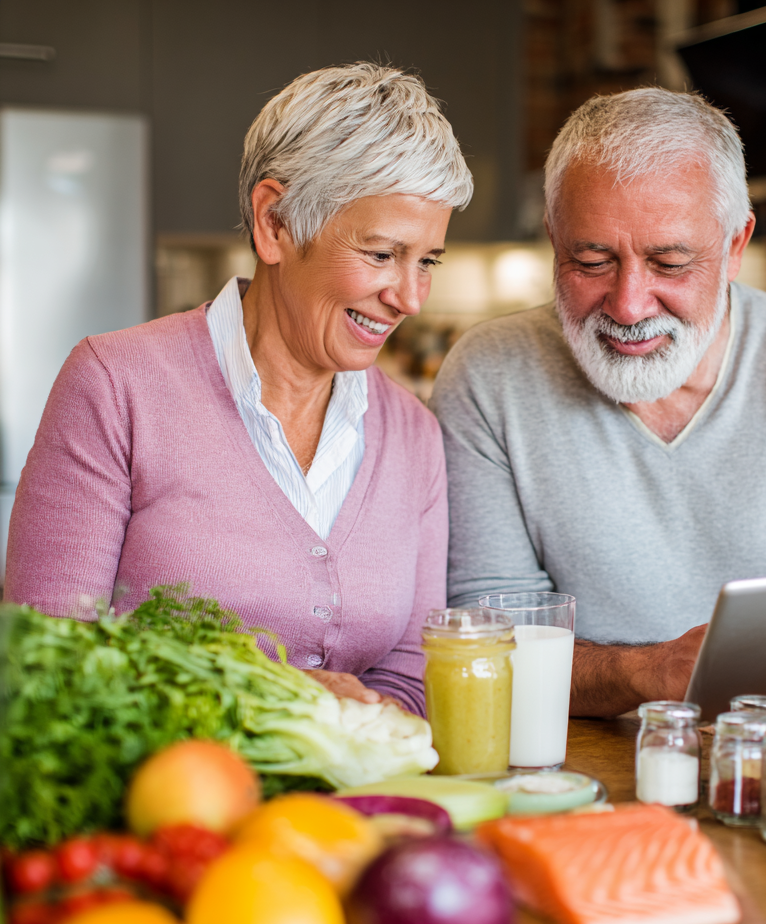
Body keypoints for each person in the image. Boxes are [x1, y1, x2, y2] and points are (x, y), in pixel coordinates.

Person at [431, 88, 766, 744]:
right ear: (554, 238)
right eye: (591, 261)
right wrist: (647, 672)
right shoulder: (490, 375)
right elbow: (484, 643)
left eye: (670, 263)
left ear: (737, 243)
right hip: (582, 775)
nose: (630, 305)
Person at [5, 63, 474, 716]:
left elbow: (410, 675)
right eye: (380, 254)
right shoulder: (115, 388)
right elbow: (45, 669)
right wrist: (276, 704)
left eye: (426, 261)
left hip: (350, 817)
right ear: (274, 223)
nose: (411, 298)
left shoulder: (412, 435)